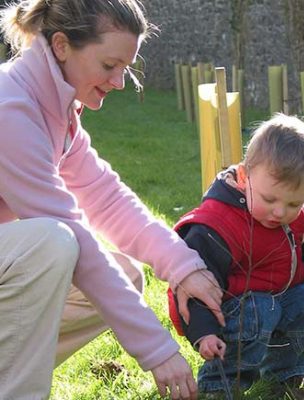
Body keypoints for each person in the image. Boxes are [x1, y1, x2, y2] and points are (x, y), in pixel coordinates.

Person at [0, 1, 225, 399]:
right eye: (109, 66)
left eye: (126, 67)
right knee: (52, 243)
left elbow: (106, 199)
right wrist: (157, 350)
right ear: (62, 45)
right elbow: (72, 231)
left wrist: (182, 267)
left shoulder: (53, 108)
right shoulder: (11, 109)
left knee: (125, 274)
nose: (120, 82)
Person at [168, 114, 304, 394]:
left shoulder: (298, 216)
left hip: (277, 300)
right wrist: (204, 332)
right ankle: (220, 382)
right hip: (228, 314)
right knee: (259, 309)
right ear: (243, 176)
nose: (280, 212)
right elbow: (194, 285)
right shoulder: (216, 227)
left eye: (293, 202)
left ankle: (286, 370)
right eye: (269, 199)